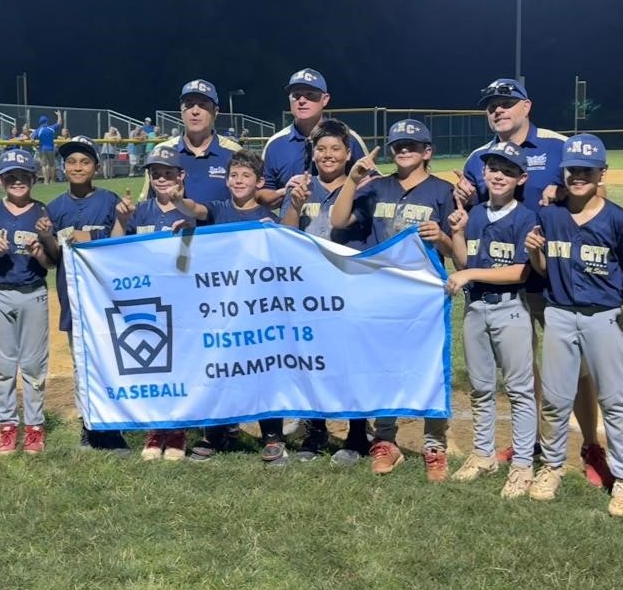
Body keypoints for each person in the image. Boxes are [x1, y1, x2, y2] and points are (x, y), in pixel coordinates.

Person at [456, 78, 609, 488]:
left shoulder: (558, 146)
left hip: (555, 277)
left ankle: (590, 444)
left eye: (507, 102)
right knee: (522, 370)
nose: (498, 110)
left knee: (576, 369)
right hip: (502, 281)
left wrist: (565, 192)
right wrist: (463, 198)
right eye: (492, 104)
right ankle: (534, 443)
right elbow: (479, 213)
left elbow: (598, 192)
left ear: (527, 106)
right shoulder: (479, 157)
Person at [330, 119, 455, 479]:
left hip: (424, 295)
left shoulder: (442, 191)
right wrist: (353, 180)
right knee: (384, 363)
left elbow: (455, 250)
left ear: (427, 152)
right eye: (398, 146)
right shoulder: (377, 186)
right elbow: (338, 220)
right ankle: (385, 440)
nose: (404, 151)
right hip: (382, 292)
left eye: (412, 146)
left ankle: (434, 445)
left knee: (430, 366)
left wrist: (442, 238)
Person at [525, 134, 623, 516]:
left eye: (587, 170)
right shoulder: (550, 215)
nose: (578, 176)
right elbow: (545, 270)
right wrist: (535, 256)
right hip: (559, 314)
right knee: (556, 399)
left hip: (604, 316)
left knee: (615, 401)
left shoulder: (618, 219)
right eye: (572, 169)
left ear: (602, 173)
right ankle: (552, 467)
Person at [171, 150, 286, 465]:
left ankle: (272, 435)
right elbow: (194, 208)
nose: (238, 180)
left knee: (264, 369)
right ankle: (217, 432)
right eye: (233, 175)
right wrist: (180, 201)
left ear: (259, 182)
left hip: (258, 310)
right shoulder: (218, 210)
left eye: (246, 175)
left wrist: (275, 234)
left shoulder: (267, 218)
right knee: (219, 368)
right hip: (220, 308)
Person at [444, 142, 537, 498]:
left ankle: (523, 464)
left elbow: (520, 272)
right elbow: (462, 263)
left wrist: (470, 275)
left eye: (508, 171)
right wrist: (457, 232)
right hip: (476, 308)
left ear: (521, 178)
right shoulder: (476, 214)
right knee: (481, 388)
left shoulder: (526, 217)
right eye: (493, 169)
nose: (499, 176)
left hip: (510, 309)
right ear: (483, 172)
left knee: (519, 390)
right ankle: (483, 454)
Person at [279, 118, 370, 463]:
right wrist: (294, 205)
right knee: (313, 359)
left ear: (348, 153)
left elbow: (352, 226)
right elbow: (286, 235)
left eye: (335, 149)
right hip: (310, 289)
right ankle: (315, 429)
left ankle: (357, 433)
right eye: (321, 149)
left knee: (351, 361)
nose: (328, 155)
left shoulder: (362, 186)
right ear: (313, 153)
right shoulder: (302, 186)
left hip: (349, 285)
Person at [40, 136, 130, 454]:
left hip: (106, 295)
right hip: (74, 296)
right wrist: (45, 238)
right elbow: (53, 259)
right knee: (82, 362)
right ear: (63, 168)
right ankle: (89, 424)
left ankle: (113, 426)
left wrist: (109, 226)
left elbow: (119, 247)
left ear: (96, 167)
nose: (77, 167)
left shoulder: (108, 201)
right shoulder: (55, 208)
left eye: (85, 161)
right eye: (71, 162)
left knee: (112, 359)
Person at [113, 144, 194, 461]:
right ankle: (156, 428)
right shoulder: (142, 211)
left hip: (181, 297)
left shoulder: (191, 209)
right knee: (153, 366)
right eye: (156, 173)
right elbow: (115, 250)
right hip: (147, 298)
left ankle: (178, 430)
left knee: (181, 365)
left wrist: (189, 233)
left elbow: (199, 256)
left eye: (168, 173)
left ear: (180, 175)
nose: (161, 178)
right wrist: (122, 220)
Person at [0, 148, 53, 455]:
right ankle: (7, 425)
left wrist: (41, 252)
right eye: (10, 177)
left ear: (34, 179)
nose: (17, 182)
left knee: (33, 363)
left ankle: (34, 425)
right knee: (4, 364)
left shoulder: (43, 212)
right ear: (1, 180)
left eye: (23, 176)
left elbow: (51, 263)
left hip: (33, 292)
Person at [261, 68, 368, 207]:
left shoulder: (348, 138)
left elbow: (371, 184)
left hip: (340, 219)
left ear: (325, 99)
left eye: (310, 95)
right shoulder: (275, 144)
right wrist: (286, 191)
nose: (302, 101)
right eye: (296, 95)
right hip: (292, 220)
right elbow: (260, 194)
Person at [141, 80, 241, 207]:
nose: (195, 111)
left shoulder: (235, 153)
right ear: (181, 111)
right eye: (189, 105)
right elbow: (147, 204)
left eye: (203, 105)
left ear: (215, 112)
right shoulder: (161, 152)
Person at [33, 111, 63, 183]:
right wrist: (59, 115)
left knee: (44, 165)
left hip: (42, 149)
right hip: (51, 148)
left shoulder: (39, 130)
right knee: (52, 165)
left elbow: (32, 139)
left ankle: (46, 181)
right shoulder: (51, 128)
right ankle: (52, 180)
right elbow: (59, 123)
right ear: (47, 121)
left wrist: (35, 146)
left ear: (40, 122)